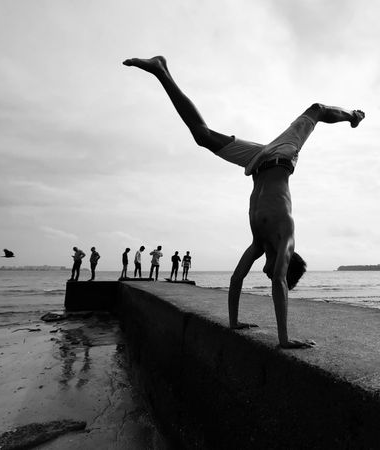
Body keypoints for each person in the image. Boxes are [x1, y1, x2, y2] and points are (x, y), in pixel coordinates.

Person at [123, 56, 364, 348]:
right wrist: (284, 340)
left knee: (202, 136)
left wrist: (234, 322)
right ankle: (353, 115)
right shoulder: (285, 236)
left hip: (256, 159)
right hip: (283, 153)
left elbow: (236, 278)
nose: (266, 273)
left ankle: (161, 70)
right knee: (317, 109)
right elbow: (279, 281)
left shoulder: (260, 244)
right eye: (277, 270)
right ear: (286, 263)